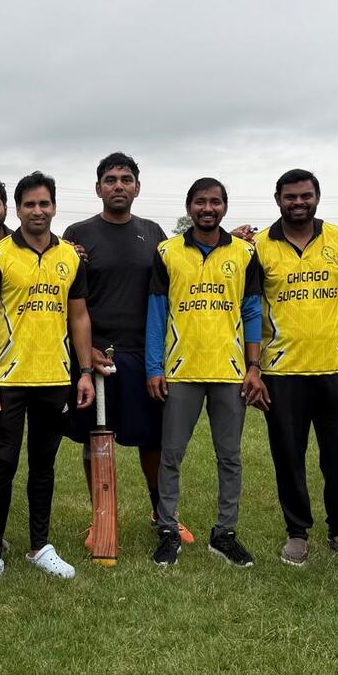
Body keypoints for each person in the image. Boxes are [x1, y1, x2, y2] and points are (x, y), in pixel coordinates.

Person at [61, 152, 194, 547]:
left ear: (137, 187)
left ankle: (162, 514)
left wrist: (233, 238)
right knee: (95, 439)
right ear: (98, 188)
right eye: (110, 179)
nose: (118, 186)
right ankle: (101, 518)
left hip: (142, 355)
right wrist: (86, 351)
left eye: (125, 179)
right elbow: (65, 298)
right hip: (94, 354)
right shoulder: (77, 234)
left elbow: (183, 269)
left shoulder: (153, 233)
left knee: (152, 439)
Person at [0, 171, 95, 588]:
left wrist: (85, 372)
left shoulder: (70, 257)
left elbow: (79, 316)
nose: (37, 211)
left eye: (44, 203)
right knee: (2, 463)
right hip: (7, 380)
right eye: (29, 204)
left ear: (54, 207)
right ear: (18, 209)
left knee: (44, 464)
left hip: (54, 378)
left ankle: (40, 546)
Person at [147, 178, 266, 568]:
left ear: (224, 207)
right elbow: (156, 314)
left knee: (229, 456)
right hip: (180, 371)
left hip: (230, 372)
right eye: (200, 202)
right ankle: (168, 530)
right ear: (189, 207)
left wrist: (253, 367)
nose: (207, 209)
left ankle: (224, 534)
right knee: (171, 455)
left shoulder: (244, 254)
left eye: (215, 202)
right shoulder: (167, 252)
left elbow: (252, 311)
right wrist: (154, 367)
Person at [254, 169, 338, 566]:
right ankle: (297, 533)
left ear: (317, 197)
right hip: (281, 370)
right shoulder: (259, 246)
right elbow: (249, 304)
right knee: (288, 454)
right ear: (278, 200)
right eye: (290, 197)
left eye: (305, 195)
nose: (298, 202)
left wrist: (323, 313)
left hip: (336, 367)